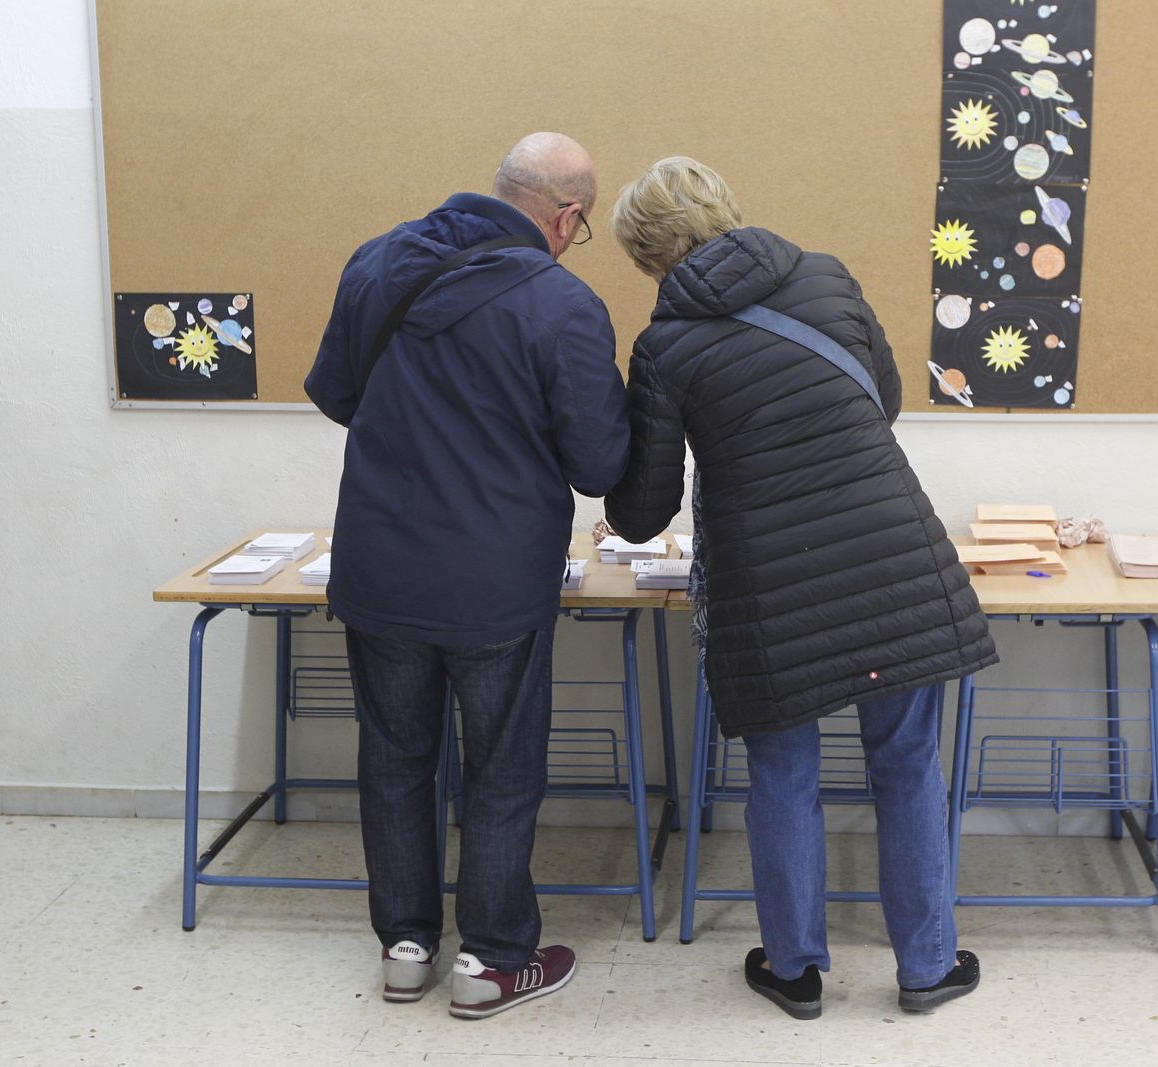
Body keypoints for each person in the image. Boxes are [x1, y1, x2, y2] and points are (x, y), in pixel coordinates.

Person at [603, 157, 996, 1019]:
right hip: (893, 558)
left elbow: (644, 510)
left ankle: (794, 969)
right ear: (725, 204)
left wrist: (605, 465)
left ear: (647, 254)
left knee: (783, 774)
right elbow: (884, 398)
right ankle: (927, 965)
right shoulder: (824, 274)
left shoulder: (664, 345)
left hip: (769, 588)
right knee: (907, 765)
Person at [305, 132, 629, 1019]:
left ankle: (405, 948)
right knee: (501, 769)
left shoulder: (376, 264)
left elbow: (336, 393)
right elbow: (599, 461)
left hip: (380, 571)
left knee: (396, 759)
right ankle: (491, 961)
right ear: (565, 218)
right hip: (495, 585)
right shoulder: (562, 303)